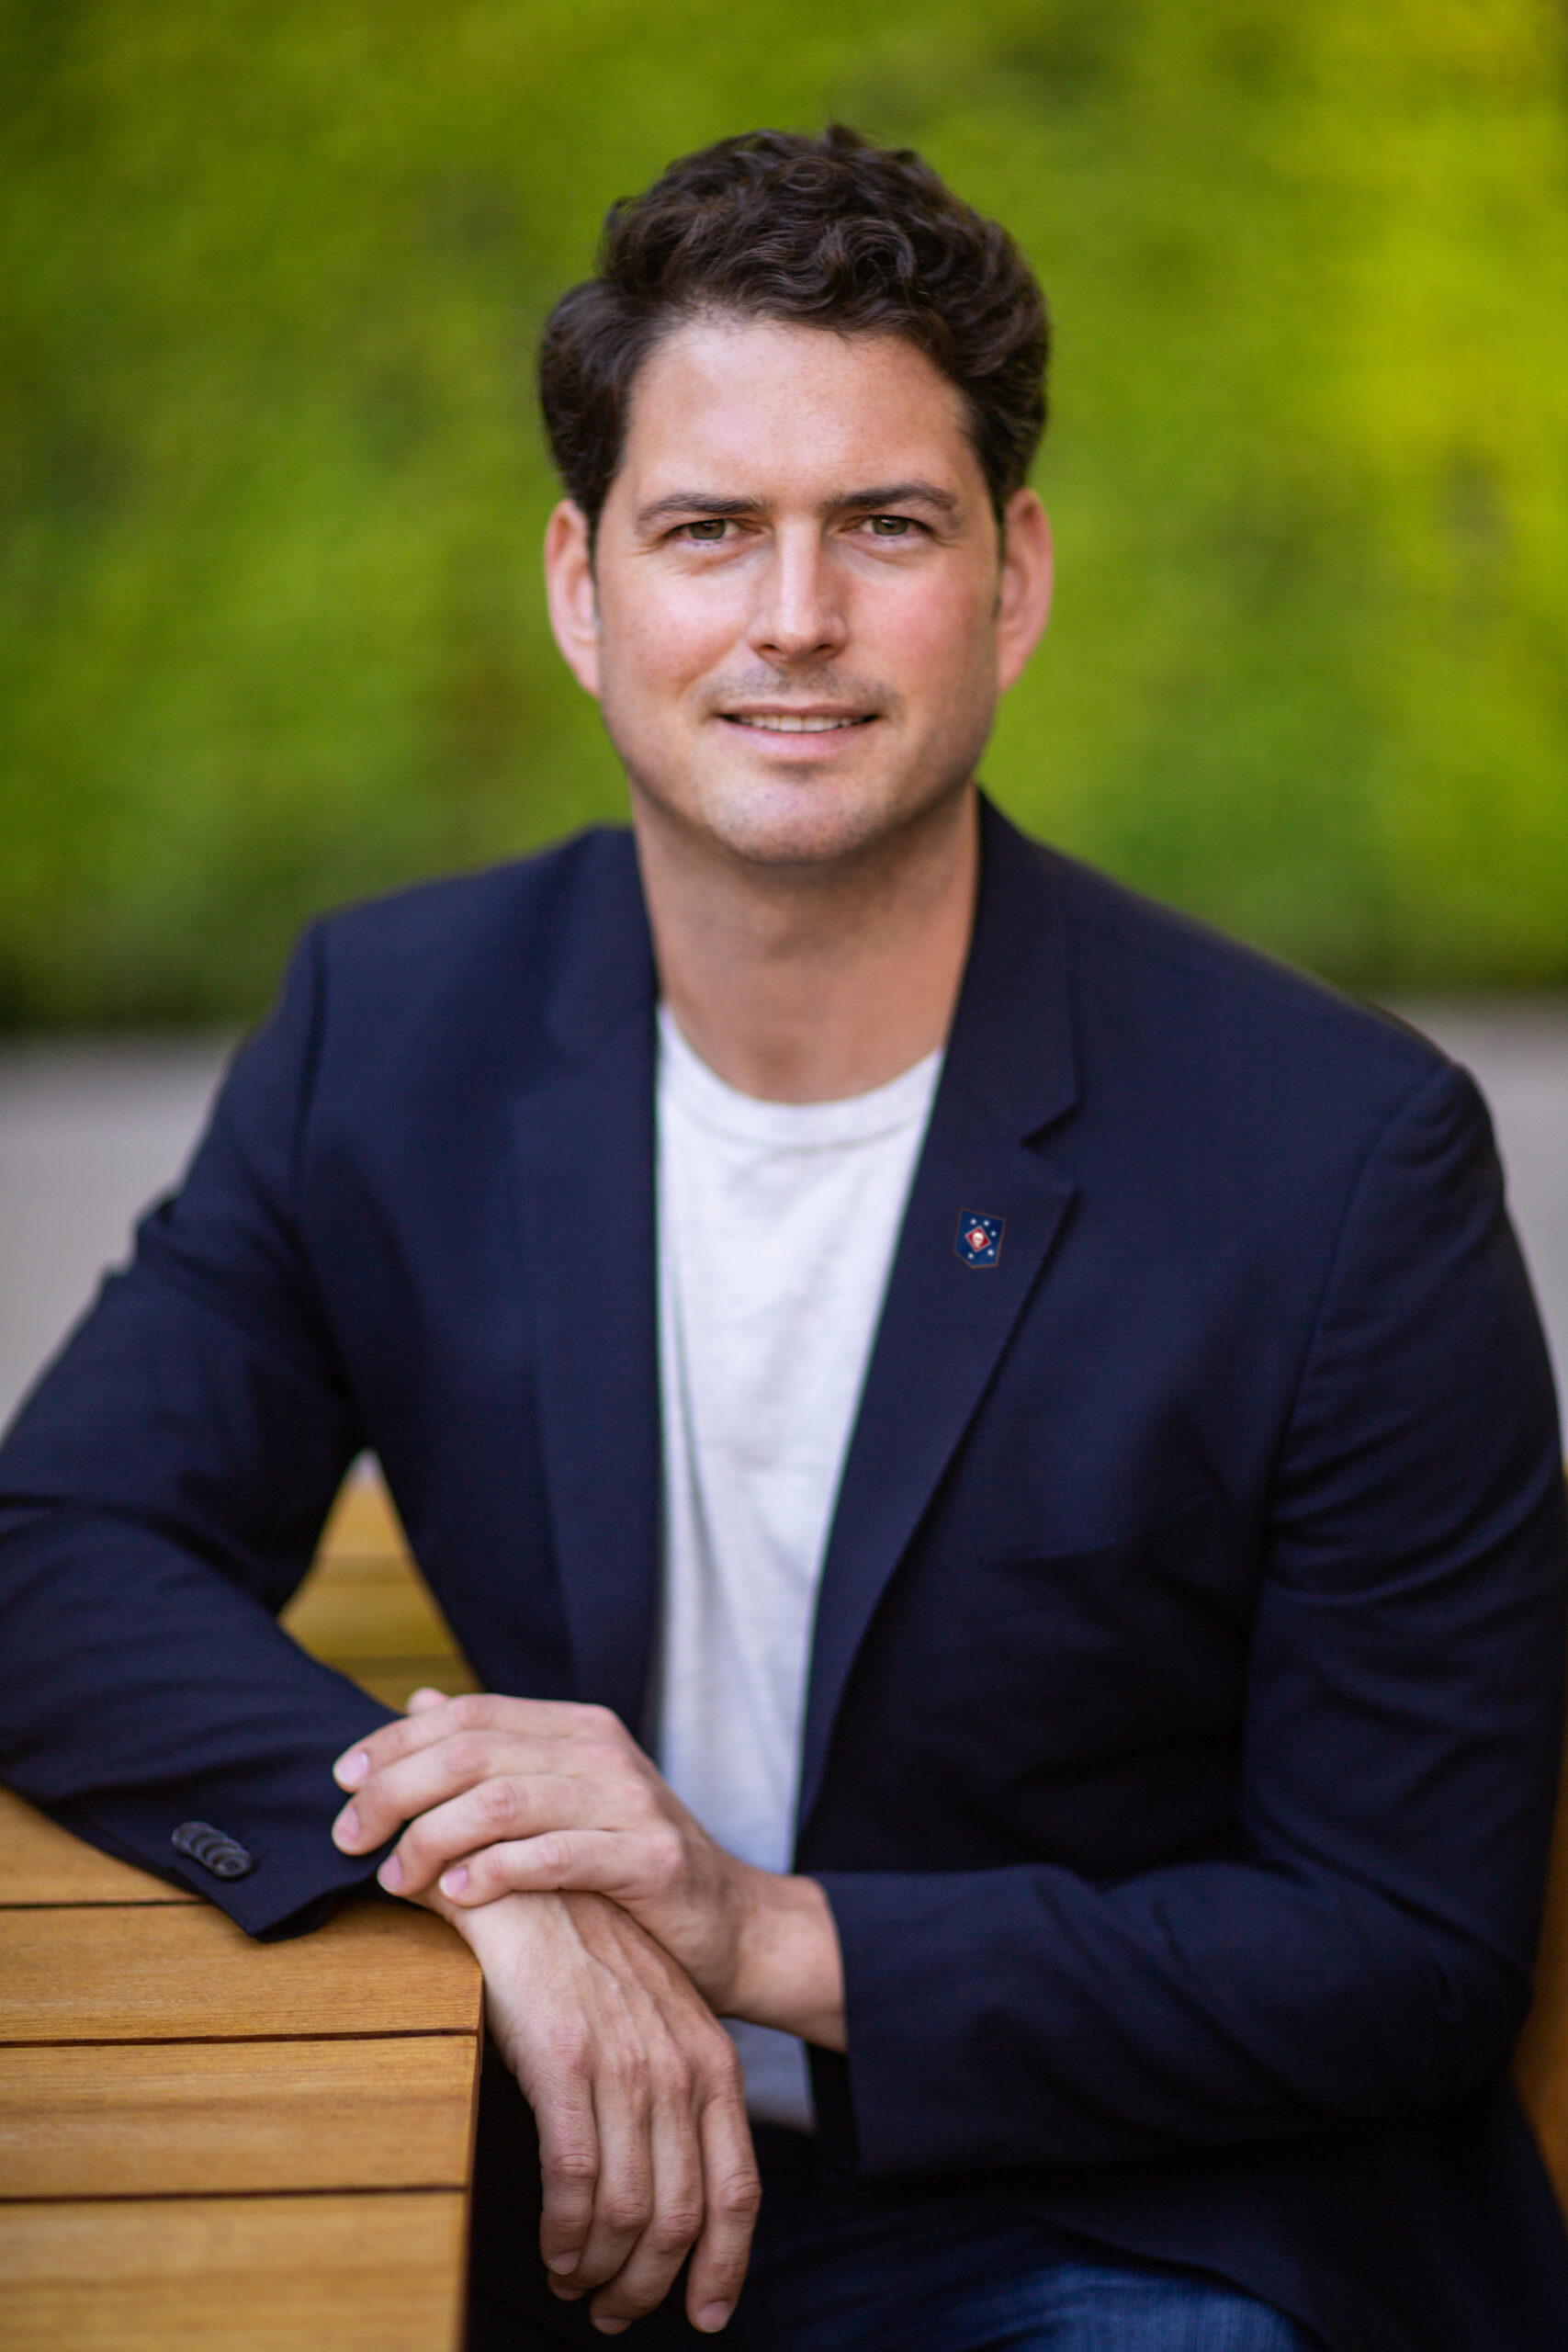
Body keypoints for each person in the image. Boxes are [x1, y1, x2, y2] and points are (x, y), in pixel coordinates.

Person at [1, 125, 1565, 2352]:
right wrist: (486, 1883)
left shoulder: (1339, 1157)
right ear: (581, 586)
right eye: (708, 527)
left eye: (884, 525)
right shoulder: (391, 1027)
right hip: (561, 2166)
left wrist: (751, 1929)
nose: (793, 617)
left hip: (1122, 2215)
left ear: (1012, 577)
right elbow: (55, 1547)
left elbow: (1397, 1942)